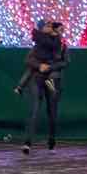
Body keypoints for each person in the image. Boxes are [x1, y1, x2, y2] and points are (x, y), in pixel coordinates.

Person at [17, 20, 69, 154]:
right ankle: (27, 142)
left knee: (52, 110)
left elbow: (65, 62)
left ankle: (51, 141)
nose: (60, 32)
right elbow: (28, 59)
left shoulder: (62, 45)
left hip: (52, 79)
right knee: (34, 109)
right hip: (37, 78)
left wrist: (50, 67)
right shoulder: (39, 44)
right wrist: (39, 66)